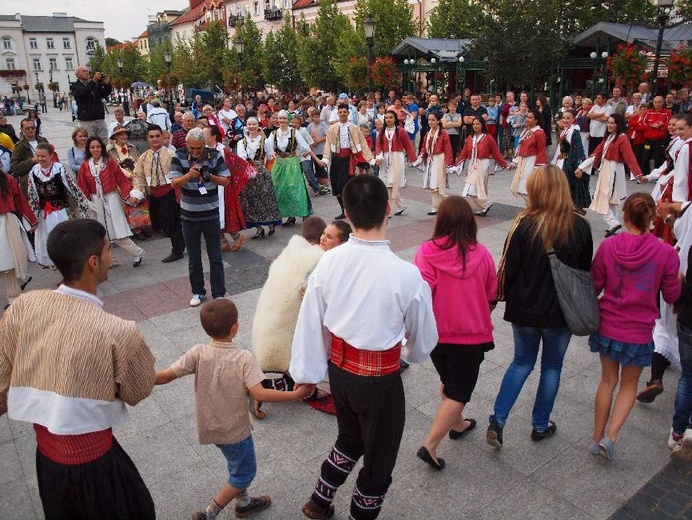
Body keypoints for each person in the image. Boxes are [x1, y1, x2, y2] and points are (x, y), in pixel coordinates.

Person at [289, 174, 437, 519]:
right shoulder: (407, 275)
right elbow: (422, 341)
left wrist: (307, 373)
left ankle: (319, 501)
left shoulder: (328, 263)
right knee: (379, 460)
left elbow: (311, 322)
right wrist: (412, 354)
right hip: (380, 380)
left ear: (346, 213)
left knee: (349, 439)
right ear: (388, 209)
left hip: (339, 372)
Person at [0, 218, 156, 519]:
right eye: (110, 249)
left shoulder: (22, 307)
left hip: (47, 458)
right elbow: (138, 390)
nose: (112, 257)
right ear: (93, 262)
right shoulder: (117, 331)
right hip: (93, 465)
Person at [155, 298, 311, 520]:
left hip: (210, 427)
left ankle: (244, 502)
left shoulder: (197, 352)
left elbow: (166, 375)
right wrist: (296, 394)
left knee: (237, 463)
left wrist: (139, 377)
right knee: (243, 474)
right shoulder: (243, 358)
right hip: (235, 431)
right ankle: (209, 513)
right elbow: (259, 393)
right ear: (235, 327)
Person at [488, 165, 593, 449]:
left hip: (525, 308)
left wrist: (498, 298)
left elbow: (508, 269)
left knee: (521, 362)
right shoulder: (580, 226)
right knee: (552, 368)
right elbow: (585, 273)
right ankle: (539, 424)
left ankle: (498, 419)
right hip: (562, 312)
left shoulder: (523, 224)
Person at [589, 193, 680, 461]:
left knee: (607, 381)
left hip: (608, 323)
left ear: (625, 215)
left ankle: (595, 438)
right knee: (629, 385)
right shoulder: (664, 253)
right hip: (639, 329)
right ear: (652, 218)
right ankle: (612, 436)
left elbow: (595, 285)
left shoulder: (608, 246)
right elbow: (672, 295)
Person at [414, 196, 497, 470]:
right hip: (471, 335)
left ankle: (458, 424)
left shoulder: (426, 252)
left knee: (451, 381)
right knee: (460, 390)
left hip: (438, 335)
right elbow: (491, 294)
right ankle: (431, 445)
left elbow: (421, 293)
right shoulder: (482, 254)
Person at [251, 217, 329, 418]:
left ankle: (263, 385)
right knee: (316, 385)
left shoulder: (290, 252)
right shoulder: (317, 260)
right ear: (321, 238)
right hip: (282, 344)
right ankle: (268, 390)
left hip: (263, 334)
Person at [169, 128, 230, 306]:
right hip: (188, 215)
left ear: (205, 144)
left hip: (211, 213)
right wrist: (189, 175)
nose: (195, 151)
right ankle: (198, 291)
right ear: (187, 144)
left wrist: (210, 176)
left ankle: (219, 292)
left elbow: (226, 180)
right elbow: (173, 183)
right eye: (192, 148)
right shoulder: (179, 155)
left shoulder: (215, 154)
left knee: (215, 256)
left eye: (199, 148)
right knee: (194, 257)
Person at [77, 137, 145, 268]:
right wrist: (86, 203)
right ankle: (111, 260)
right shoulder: (85, 166)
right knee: (101, 233)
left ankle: (137, 253)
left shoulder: (110, 162)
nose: (95, 150)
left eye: (98, 147)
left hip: (111, 198)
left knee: (118, 230)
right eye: (92, 147)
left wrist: (127, 196)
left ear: (102, 148)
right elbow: (82, 186)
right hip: (95, 200)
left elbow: (122, 180)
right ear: (88, 149)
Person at [577, 113, 642, 236]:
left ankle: (614, 224)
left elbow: (629, 157)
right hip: (606, 168)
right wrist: (582, 166)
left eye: (613, 123)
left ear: (619, 124)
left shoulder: (622, 138)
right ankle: (616, 229)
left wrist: (638, 174)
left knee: (601, 199)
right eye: (608, 122)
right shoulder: (609, 137)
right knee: (610, 201)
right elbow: (597, 152)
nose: (609, 125)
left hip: (614, 170)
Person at [128, 124, 185, 263]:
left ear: (162, 137)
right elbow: (138, 176)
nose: (155, 139)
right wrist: (136, 194)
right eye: (151, 137)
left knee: (173, 223)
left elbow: (180, 173)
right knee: (162, 224)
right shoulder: (143, 157)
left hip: (170, 192)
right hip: (154, 194)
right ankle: (181, 244)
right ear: (148, 138)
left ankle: (177, 250)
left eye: (157, 136)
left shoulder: (172, 154)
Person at [28, 142, 91, 267]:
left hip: (61, 211)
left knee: (64, 241)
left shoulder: (59, 169)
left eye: (43, 156)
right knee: (48, 241)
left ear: (51, 155)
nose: (40, 159)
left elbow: (72, 188)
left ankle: (67, 267)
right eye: (38, 156)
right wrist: (33, 217)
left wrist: (84, 204)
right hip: (44, 214)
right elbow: (32, 195)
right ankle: (57, 266)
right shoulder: (34, 172)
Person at [204, 125, 252, 252]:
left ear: (213, 136)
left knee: (223, 214)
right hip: (208, 186)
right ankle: (223, 241)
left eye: (205, 134)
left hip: (221, 187)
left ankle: (236, 237)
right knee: (212, 214)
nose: (203, 137)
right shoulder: (204, 149)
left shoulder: (222, 150)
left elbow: (235, 164)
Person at [323, 104, 375, 219]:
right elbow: (328, 144)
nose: (342, 114)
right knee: (336, 186)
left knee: (345, 185)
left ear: (348, 113)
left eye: (344, 112)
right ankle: (344, 209)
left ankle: (350, 209)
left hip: (348, 160)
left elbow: (363, 143)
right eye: (340, 112)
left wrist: (370, 159)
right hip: (336, 160)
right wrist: (326, 158)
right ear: (338, 113)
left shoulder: (354, 128)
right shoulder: (332, 128)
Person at [266, 110, 314, 226]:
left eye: (284, 118)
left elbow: (305, 147)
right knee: (279, 188)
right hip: (279, 162)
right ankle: (289, 216)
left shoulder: (293, 132)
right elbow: (267, 146)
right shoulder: (274, 133)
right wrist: (270, 156)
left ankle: (304, 213)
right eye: (280, 118)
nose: (282, 121)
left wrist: (317, 160)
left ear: (288, 120)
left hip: (292, 162)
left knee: (295, 188)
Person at [237, 117, 282, 239]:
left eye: (254, 124)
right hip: (248, 174)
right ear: (246, 126)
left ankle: (271, 224)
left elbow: (269, 156)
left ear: (258, 126)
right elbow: (241, 159)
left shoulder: (265, 141)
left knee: (266, 198)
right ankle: (258, 228)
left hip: (262, 173)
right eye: (249, 124)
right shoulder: (241, 142)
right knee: (251, 201)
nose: (251, 126)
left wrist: (263, 168)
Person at [0, 164, 37, 309]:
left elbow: (20, 200)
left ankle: (13, 297)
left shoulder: (8, 180)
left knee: (10, 261)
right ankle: (21, 282)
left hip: (8, 221)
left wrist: (31, 219)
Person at [456, 117, 507, 217]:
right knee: (472, 189)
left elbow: (496, 153)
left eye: (477, 124)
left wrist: (505, 164)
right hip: (472, 164)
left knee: (476, 188)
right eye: (474, 124)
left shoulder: (488, 138)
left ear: (482, 125)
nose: (475, 126)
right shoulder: (470, 138)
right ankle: (484, 206)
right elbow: (464, 153)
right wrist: (456, 164)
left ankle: (485, 205)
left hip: (483, 163)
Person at [375, 110, 417, 217]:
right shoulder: (382, 132)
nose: (388, 120)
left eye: (390, 117)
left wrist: (415, 160)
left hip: (397, 157)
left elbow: (408, 146)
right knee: (387, 183)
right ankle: (401, 205)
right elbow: (378, 146)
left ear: (395, 119)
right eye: (386, 118)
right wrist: (379, 156)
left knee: (392, 184)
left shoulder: (401, 131)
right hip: (385, 159)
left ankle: (389, 209)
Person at [552, 110, 588, 213]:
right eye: (563, 118)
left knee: (569, 187)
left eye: (568, 118)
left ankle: (575, 208)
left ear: (573, 119)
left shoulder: (574, 132)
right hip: (564, 161)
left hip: (570, 163)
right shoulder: (565, 130)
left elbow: (579, 149)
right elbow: (563, 149)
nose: (565, 120)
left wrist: (579, 166)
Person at [419, 111, 454, 216]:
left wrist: (448, 163)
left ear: (438, 121)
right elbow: (424, 147)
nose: (430, 122)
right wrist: (421, 155)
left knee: (439, 184)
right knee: (432, 185)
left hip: (439, 159)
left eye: (433, 120)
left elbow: (448, 149)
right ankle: (436, 206)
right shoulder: (428, 134)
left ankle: (451, 203)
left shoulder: (443, 133)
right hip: (430, 159)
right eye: (429, 120)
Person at [509, 109, 547, 205]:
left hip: (532, 161)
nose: (527, 119)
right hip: (523, 161)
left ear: (536, 120)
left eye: (530, 118)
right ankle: (530, 208)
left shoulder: (539, 133)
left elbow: (542, 150)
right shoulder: (525, 130)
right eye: (527, 117)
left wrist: (538, 167)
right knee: (520, 188)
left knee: (526, 188)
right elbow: (520, 147)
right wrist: (515, 161)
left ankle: (534, 209)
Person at [9, 118, 49, 197]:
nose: (31, 130)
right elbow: (14, 168)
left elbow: (52, 157)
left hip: (47, 181)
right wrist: (31, 161)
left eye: (32, 127)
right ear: (22, 130)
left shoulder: (43, 141)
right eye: (27, 128)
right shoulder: (19, 147)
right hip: (30, 185)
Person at [71, 66, 112, 141]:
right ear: (78, 75)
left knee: (104, 141)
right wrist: (94, 81)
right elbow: (83, 93)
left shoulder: (94, 84)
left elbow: (104, 94)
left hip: (99, 119)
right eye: (84, 71)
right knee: (90, 142)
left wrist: (107, 84)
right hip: (87, 120)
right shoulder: (75, 86)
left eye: (87, 71)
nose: (87, 72)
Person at [641, 95, 672, 175]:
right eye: (655, 102)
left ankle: (657, 175)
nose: (657, 104)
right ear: (653, 103)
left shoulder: (667, 113)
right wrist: (651, 126)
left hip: (660, 140)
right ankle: (645, 174)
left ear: (663, 102)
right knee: (645, 157)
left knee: (658, 158)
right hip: (648, 139)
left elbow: (670, 125)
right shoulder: (648, 112)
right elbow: (643, 124)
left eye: (659, 102)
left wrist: (661, 126)